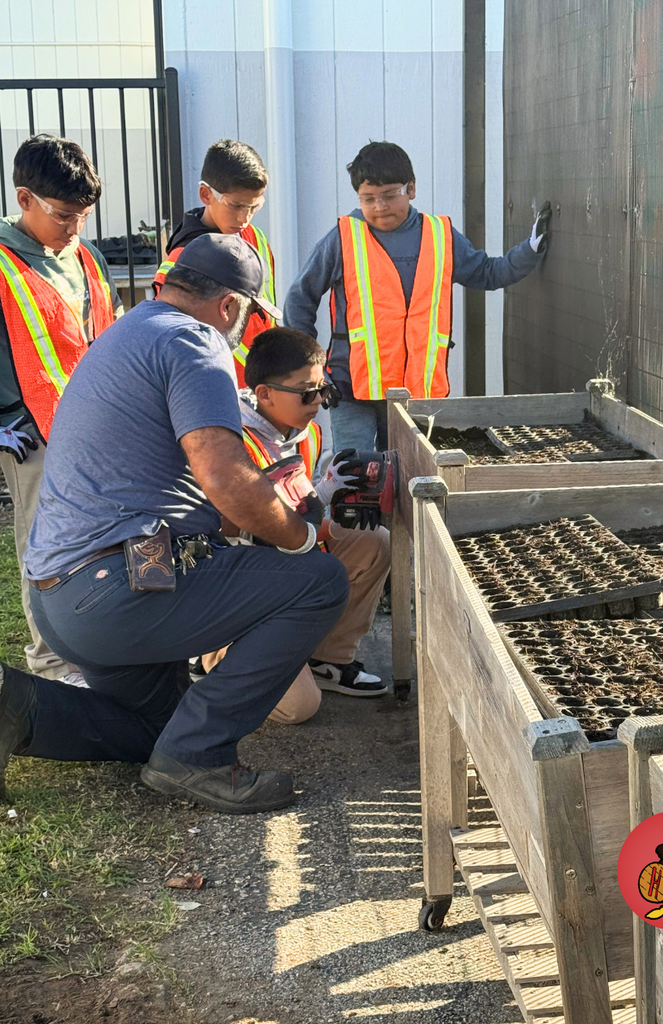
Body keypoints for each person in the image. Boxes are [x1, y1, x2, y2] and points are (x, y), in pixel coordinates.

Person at [0, 233, 349, 815]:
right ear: (231, 307)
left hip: (64, 600)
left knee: (156, 729)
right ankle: (200, 758)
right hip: (115, 589)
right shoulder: (196, 342)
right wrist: (302, 537)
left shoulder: (128, 332)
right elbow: (224, 476)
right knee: (320, 581)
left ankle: (16, 704)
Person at [284, 140, 552, 451]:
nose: (380, 207)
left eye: (389, 195)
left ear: (411, 189)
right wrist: (312, 371)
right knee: (357, 474)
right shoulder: (344, 237)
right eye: (368, 198)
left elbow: (488, 273)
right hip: (350, 388)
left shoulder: (440, 235)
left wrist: (530, 249)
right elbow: (299, 297)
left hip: (415, 393)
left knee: (410, 474)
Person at [201, 326, 389, 712]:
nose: (319, 400)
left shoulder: (307, 432)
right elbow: (252, 534)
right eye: (307, 392)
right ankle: (215, 658)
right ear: (264, 393)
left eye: (323, 389)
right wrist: (321, 498)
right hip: (237, 587)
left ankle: (328, 659)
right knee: (299, 707)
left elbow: (298, 515)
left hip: (286, 566)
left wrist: (330, 495)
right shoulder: (229, 444)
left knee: (373, 542)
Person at [0, 134, 121, 684]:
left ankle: (98, 646)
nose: (74, 228)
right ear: (24, 199)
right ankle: (52, 663)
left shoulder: (86, 257)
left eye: (82, 216)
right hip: (33, 436)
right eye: (63, 215)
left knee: (101, 539)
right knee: (45, 544)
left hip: (96, 428)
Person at [152, 139, 276, 387]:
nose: (245, 217)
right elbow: (168, 337)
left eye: (255, 206)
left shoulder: (255, 237)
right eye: (236, 205)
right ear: (206, 194)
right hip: (213, 384)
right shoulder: (182, 260)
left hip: (262, 381)